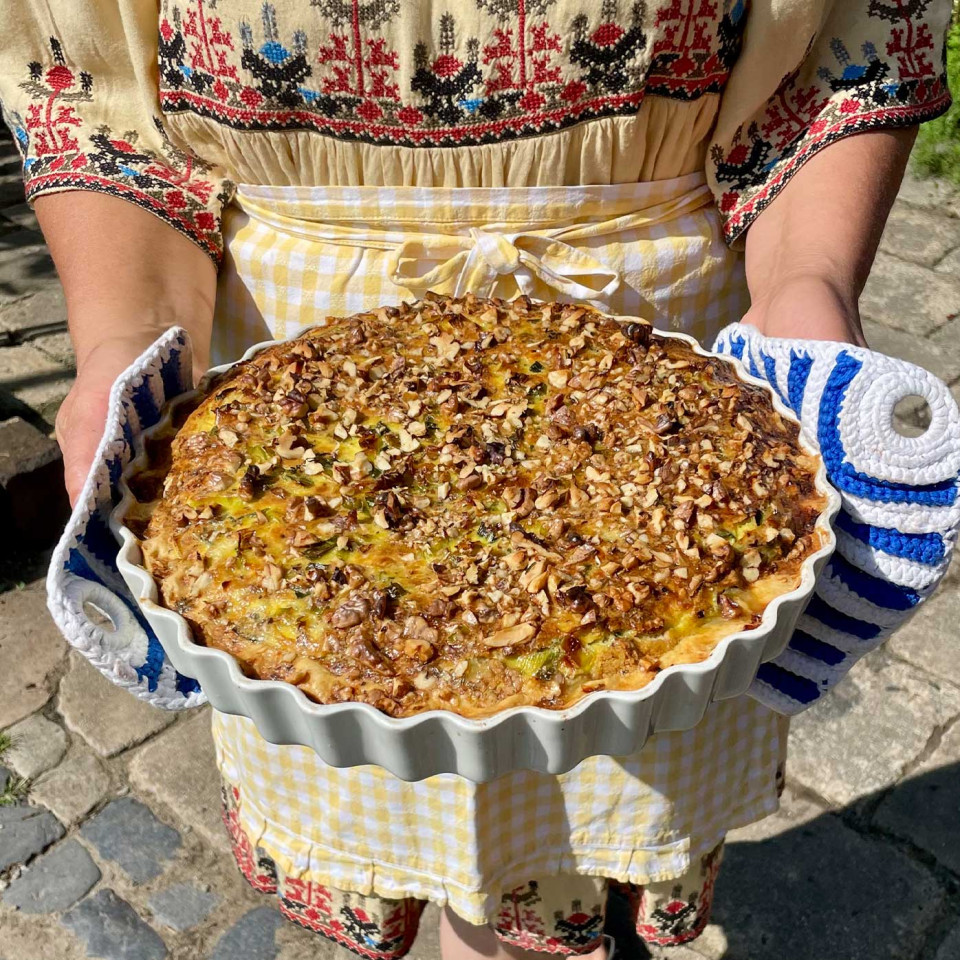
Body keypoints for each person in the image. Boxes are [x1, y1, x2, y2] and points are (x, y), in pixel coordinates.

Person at [2, 2, 953, 957]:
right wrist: (123, 345)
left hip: (661, 410)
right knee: (392, 797)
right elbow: (90, 99)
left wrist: (808, 289)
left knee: (592, 845)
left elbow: (848, 48)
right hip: (277, 440)